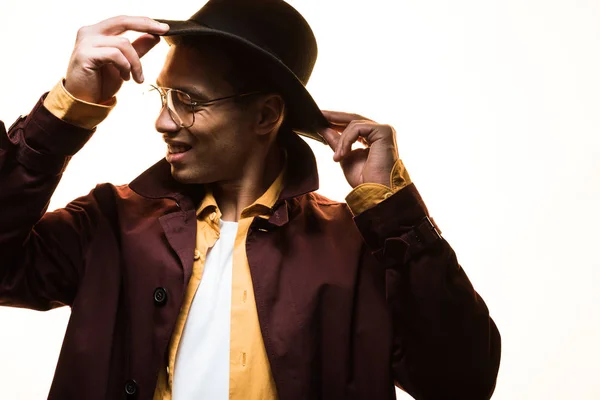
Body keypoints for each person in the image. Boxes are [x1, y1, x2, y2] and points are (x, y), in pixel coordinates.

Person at [0, 0, 501, 399]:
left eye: (189, 101)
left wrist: (395, 212)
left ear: (265, 117)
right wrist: (65, 112)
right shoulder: (109, 221)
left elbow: (461, 383)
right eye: (163, 96)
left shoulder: (358, 246)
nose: (163, 121)